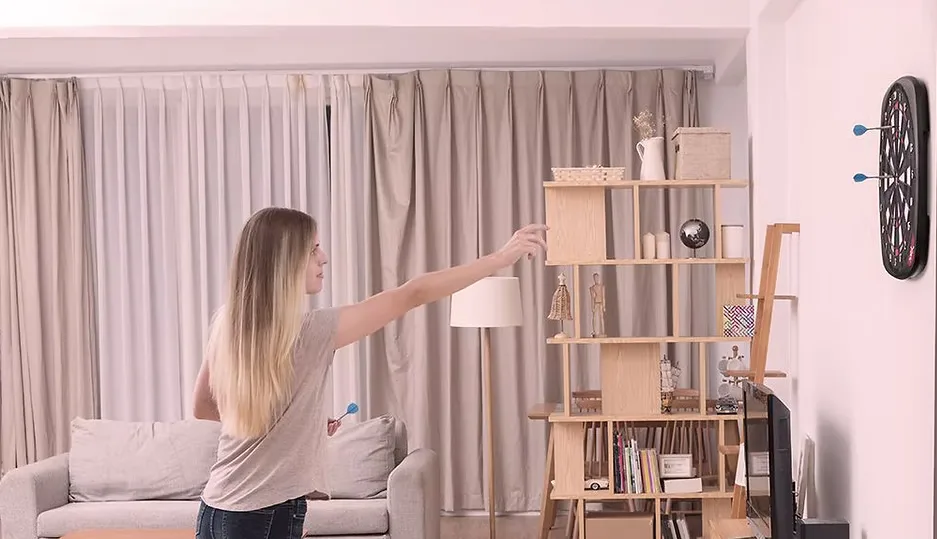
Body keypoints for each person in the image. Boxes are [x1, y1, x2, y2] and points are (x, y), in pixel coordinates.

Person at [191, 207, 547, 539]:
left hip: (216, 509)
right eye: (313, 249)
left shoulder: (228, 323)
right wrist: (500, 258)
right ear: (285, 262)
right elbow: (414, 293)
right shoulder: (312, 331)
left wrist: (285, 420)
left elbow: (204, 407)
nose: (323, 257)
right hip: (264, 515)